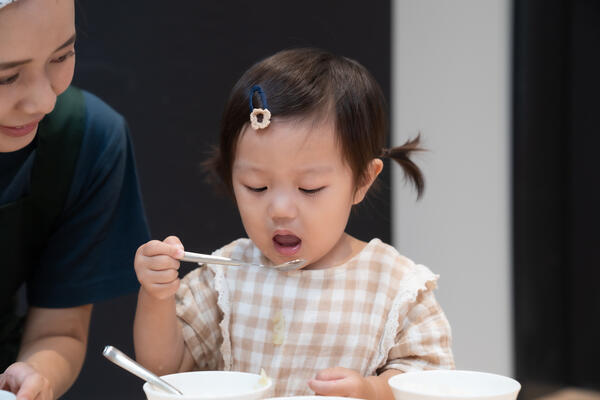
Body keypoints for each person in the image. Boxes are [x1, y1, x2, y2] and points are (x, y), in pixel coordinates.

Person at [133, 48, 454, 399]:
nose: (281, 210)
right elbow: (165, 370)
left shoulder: (394, 286)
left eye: (309, 188)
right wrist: (157, 295)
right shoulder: (226, 277)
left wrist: (372, 391)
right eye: (257, 186)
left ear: (362, 180)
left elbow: (430, 381)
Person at [0, 0, 151, 399]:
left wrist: (34, 377)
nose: (43, 101)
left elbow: (58, 330)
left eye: (62, 55)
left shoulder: (85, 139)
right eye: (6, 78)